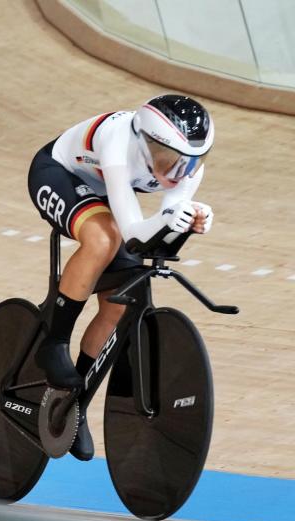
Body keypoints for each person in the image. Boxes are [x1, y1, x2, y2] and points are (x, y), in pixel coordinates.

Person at [27, 94, 215, 460]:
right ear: (147, 143)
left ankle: (72, 404)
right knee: (102, 238)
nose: (180, 172)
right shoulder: (119, 142)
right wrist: (166, 220)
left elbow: (161, 227)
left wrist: (190, 220)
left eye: (191, 163)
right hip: (57, 172)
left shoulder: (187, 167)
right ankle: (53, 342)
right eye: (170, 161)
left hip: (101, 195)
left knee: (118, 305)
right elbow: (132, 230)